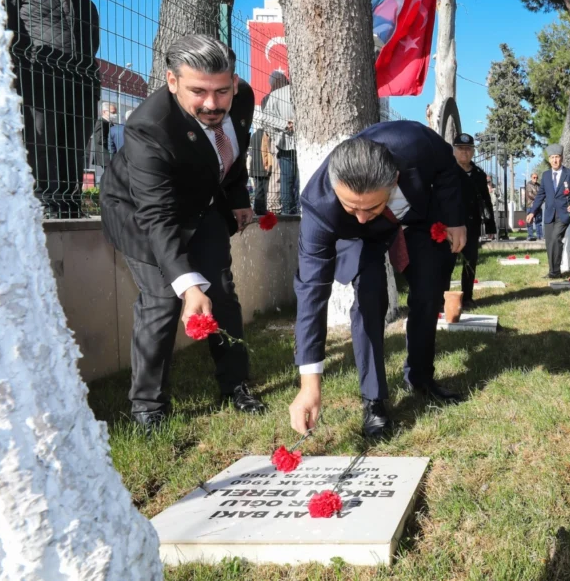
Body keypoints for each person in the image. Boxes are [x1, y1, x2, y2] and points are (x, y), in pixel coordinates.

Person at [100, 35, 266, 431]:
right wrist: (188, 285)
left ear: (234, 82)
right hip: (141, 212)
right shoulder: (148, 128)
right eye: (198, 92)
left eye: (221, 91)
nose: (212, 104)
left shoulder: (240, 99)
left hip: (202, 203)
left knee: (221, 291)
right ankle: (149, 408)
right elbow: (157, 216)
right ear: (172, 81)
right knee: (162, 299)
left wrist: (238, 196)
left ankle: (236, 384)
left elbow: (232, 151)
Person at [288, 122, 468, 439]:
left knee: (428, 292)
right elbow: (311, 296)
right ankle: (374, 400)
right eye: (351, 205)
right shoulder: (321, 210)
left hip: (415, 217)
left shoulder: (415, 143)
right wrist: (309, 384)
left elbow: (448, 169)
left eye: (370, 206)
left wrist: (454, 220)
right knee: (371, 299)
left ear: (394, 179)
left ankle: (421, 376)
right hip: (359, 240)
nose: (360, 214)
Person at [0, 0, 101, 218]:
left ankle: (70, 208)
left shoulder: (85, 2)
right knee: (39, 145)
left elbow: (91, 45)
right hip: (37, 83)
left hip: (79, 88)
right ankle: (45, 207)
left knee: (74, 151)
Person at [452, 133, 496, 308]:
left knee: (470, 261)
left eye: (468, 149)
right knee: (446, 263)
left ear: (473, 152)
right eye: (461, 149)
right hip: (451, 224)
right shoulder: (447, 171)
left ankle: (468, 297)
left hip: (472, 224)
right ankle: (443, 298)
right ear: (454, 151)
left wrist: (490, 224)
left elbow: (485, 200)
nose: (464, 153)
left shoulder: (478, 174)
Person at [526, 145, 570, 278]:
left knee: (556, 238)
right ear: (549, 160)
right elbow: (540, 195)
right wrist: (532, 212)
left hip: (564, 214)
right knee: (549, 242)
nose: (555, 160)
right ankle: (553, 270)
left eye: (557, 157)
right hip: (549, 215)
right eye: (552, 158)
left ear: (561, 158)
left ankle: (555, 271)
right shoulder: (545, 176)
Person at [260, 75, 298, 214]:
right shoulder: (303, 90)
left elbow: (266, 120)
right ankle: (299, 210)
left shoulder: (273, 96)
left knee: (286, 180)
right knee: (295, 180)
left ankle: (288, 212)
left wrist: (277, 133)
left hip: (283, 143)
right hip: (300, 142)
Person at [524, 173, 543, 240]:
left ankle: (540, 236)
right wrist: (539, 199)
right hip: (530, 205)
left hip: (538, 206)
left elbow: (542, 193)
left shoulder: (539, 185)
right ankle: (530, 235)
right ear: (531, 177)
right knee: (530, 221)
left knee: (539, 221)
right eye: (534, 177)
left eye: (536, 177)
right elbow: (530, 195)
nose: (535, 179)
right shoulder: (528, 185)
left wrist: (540, 200)